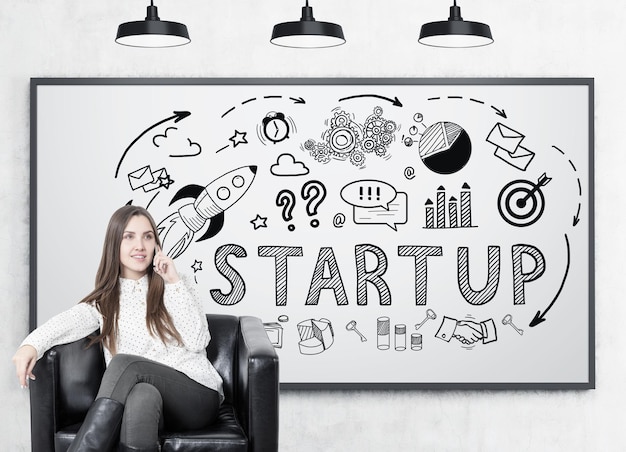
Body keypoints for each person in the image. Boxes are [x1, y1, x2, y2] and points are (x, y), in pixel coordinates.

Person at [12, 205, 224, 452]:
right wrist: (31, 345)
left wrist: (174, 283)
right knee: (142, 395)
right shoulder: (104, 302)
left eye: (148, 236)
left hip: (196, 396)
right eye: (129, 236)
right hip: (153, 401)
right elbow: (66, 322)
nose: (140, 246)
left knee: (126, 365)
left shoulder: (177, 284)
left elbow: (199, 340)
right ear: (115, 244)